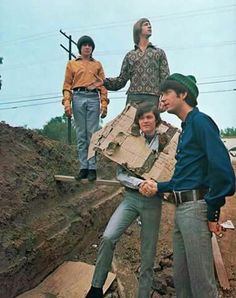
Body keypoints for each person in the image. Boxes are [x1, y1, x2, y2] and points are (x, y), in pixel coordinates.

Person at [140, 73, 236, 298]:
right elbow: (182, 180)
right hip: (181, 210)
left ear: (183, 94)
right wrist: (157, 186)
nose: (161, 99)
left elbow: (223, 173)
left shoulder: (201, 122)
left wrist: (212, 212)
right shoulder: (186, 129)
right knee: (183, 285)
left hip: (195, 210)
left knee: (203, 287)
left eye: (166, 94)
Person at [86, 103, 163, 298]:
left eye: (149, 117)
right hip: (131, 198)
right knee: (108, 237)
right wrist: (140, 183)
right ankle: (96, 288)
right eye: (142, 118)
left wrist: (153, 185)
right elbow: (120, 174)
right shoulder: (130, 141)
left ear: (156, 120)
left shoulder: (164, 144)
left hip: (153, 203)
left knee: (148, 254)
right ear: (138, 121)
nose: (145, 121)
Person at [88, 18, 170, 107]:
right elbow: (121, 81)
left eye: (149, 24)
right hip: (133, 98)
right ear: (138, 29)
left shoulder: (159, 53)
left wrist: (164, 98)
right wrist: (104, 82)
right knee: (129, 121)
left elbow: (165, 79)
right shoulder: (130, 55)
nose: (149, 26)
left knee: (150, 121)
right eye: (146, 24)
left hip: (153, 98)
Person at [62, 35, 109, 181]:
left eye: (90, 45)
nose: (87, 47)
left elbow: (102, 85)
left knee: (92, 134)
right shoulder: (72, 64)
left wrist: (104, 104)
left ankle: (92, 168)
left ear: (92, 48)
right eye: (84, 45)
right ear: (80, 48)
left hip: (93, 98)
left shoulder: (97, 65)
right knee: (81, 134)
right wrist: (67, 103)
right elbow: (67, 85)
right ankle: (83, 167)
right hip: (78, 96)